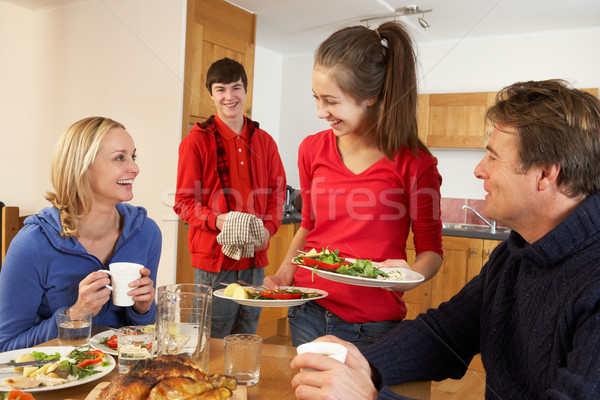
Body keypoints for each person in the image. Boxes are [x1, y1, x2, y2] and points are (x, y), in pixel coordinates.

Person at [290, 79, 600, 399]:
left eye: (493, 157)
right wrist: (359, 366)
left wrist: (367, 396)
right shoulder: (514, 255)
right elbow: (443, 334)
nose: (480, 170)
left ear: (546, 174)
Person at [264, 21, 443, 351]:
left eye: (331, 101)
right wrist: (284, 275)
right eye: (317, 98)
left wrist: (406, 278)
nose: (321, 112)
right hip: (308, 310)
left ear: (371, 96)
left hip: (373, 323)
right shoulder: (311, 149)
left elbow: (431, 251)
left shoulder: (415, 164)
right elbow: (309, 227)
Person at [0, 117, 162, 351]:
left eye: (133, 156)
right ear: (82, 167)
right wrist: (73, 316)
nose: (135, 168)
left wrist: (143, 310)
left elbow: (143, 337)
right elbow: (5, 348)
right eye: (120, 158)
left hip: (123, 378)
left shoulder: (146, 233)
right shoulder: (32, 244)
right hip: (58, 380)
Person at [173, 57, 286, 338]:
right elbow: (183, 202)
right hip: (215, 261)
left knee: (247, 337)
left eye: (236, 88)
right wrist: (218, 220)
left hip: (255, 261)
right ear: (211, 94)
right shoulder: (196, 142)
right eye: (220, 89)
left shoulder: (265, 141)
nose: (229, 96)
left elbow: (277, 193)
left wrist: (268, 229)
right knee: (211, 339)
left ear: (245, 91)